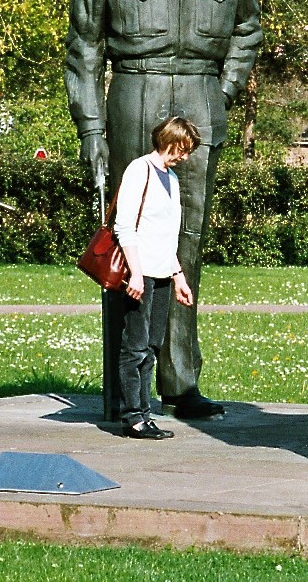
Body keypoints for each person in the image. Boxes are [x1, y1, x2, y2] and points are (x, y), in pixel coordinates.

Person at [66, 0, 262, 422]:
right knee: (128, 243)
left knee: (186, 243)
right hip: (135, 94)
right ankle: (126, 391)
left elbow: (248, 28)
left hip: (200, 98)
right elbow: (84, 47)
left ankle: (180, 378)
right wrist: (93, 130)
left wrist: (222, 92)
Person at [113, 116, 201, 439]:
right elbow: (125, 226)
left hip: (162, 273)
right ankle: (132, 417)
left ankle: (145, 413)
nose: (186, 157)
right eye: (184, 149)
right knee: (134, 347)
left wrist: (179, 277)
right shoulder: (140, 170)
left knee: (151, 347)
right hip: (141, 274)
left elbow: (167, 237)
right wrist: (135, 273)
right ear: (170, 141)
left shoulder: (172, 180)